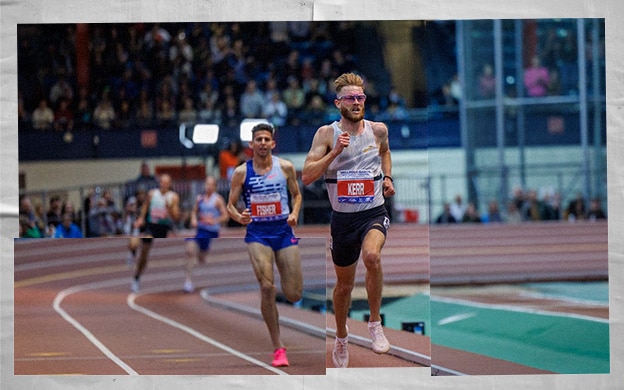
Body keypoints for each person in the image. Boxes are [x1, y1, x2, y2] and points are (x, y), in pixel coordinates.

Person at [301, 72, 396, 368]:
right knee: (343, 287)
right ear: (338, 103)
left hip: (373, 212)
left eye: (360, 98)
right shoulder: (326, 135)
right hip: (342, 220)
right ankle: (341, 338)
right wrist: (335, 153)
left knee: (372, 257)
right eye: (351, 99)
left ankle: (375, 323)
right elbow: (306, 176)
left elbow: (385, 152)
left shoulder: (378, 130)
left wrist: (388, 177)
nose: (356, 103)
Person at [226, 122, 303, 368]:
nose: (262, 143)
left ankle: (282, 292)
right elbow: (230, 204)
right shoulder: (241, 172)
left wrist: (294, 213)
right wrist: (238, 217)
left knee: (293, 293)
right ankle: (278, 347)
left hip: (282, 229)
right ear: (251, 144)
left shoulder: (286, 167)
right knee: (267, 287)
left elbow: (297, 195)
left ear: (273, 143)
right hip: (257, 232)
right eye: (258, 139)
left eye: (266, 139)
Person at [131, 173, 180, 292]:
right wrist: (141, 218)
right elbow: (145, 207)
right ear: (160, 183)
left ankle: (137, 275)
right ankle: (136, 276)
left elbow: (176, 217)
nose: (164, 184)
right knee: (143, 249)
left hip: (163, 228)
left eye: (167, 183)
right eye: (162, 182)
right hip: (151, 226)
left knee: (145, 255)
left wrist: (169, 209)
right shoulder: (152, 194)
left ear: (170, 184)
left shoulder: (173, 197)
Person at [183, 176, 229, 293]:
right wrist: (193, 219)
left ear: (214, 187)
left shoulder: (217, 200)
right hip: (200, 229)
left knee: (201, 258)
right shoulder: (200, 199)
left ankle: (201, 253)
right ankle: (188, 282)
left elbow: (225, 216)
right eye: (207, 184)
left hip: (211, 232)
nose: (208, 187)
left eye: (211, 185)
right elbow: (194, 211)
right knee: (189, 251)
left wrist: (214, 221)